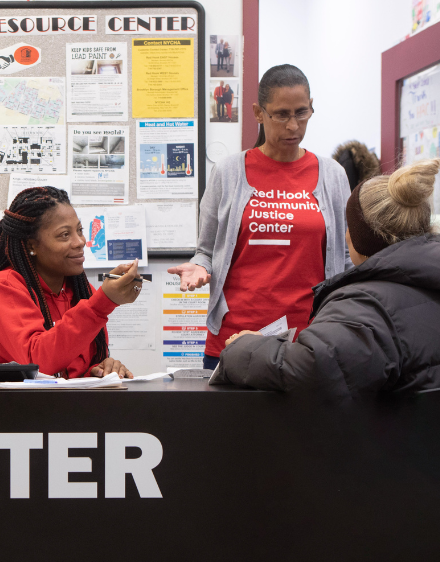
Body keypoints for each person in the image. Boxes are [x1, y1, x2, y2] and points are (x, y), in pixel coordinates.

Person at [169, 64, 351, 370]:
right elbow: (206, 251)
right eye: (281, 114)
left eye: (302, 112)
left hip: (309, 341)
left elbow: (345, 257)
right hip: (234, 339)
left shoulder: (331, 175)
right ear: (258, 112)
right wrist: (199, 268)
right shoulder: (229, 172)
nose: (293, 126)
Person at [214, 159, 440, 398]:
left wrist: (244, 347)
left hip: (390, 435)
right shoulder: (426, 283)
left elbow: (315, 366)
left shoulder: (364, 306)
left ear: (360, 239)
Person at [0, 186, 143, 378]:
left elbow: (67, 372)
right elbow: (37, 363)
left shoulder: (82, 291)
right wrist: (102, 304)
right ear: (32, 245)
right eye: (64, 234)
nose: (80, 242)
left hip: (47, 404)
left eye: (79, 230)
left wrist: (101, 369)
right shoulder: (4, 286)